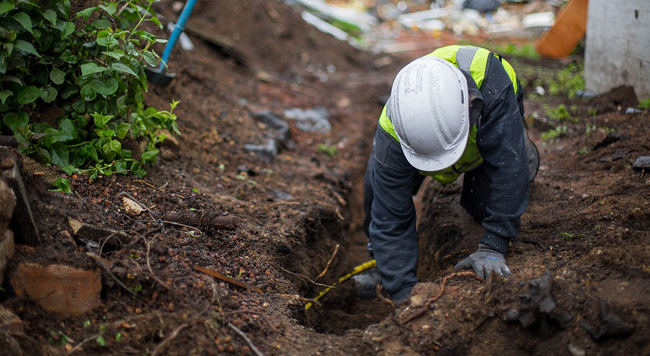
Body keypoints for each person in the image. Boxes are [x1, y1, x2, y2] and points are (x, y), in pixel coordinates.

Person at [356, 45, 540, 302]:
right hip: (425, 140)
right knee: (376, 188)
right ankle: (380, 261)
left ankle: (523, 147)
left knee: (499, 188)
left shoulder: (493, 84)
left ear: (472, 108)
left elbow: (509, 169)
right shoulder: (395, 127)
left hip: (488, 130)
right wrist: (403, 294)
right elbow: (390, 217)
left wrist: (493, 245)